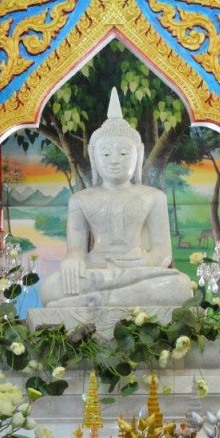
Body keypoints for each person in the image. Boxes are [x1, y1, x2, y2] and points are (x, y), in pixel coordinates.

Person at [39, 88, 193, 308]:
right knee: (50, 288)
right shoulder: (81, 200)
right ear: (94, 156)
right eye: (105, 153)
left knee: (182, 286)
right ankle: (120, 299)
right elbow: (77, 248)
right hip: (95, 271)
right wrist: (74, 260)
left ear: (137, 154)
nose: (114, 160)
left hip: (139, 271)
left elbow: (162, 251)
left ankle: (97, 302)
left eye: (123, 153)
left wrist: (149, 260)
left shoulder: (153, 197)